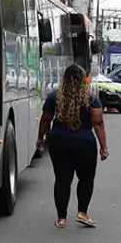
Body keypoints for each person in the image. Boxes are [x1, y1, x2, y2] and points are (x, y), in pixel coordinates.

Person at [37, 64, 109, 229]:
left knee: (62, 179)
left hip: (59, 141)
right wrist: (104, 147)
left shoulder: (54, 97)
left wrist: (40, 138)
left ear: (64, 79)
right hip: (84, 143)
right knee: (86, 178)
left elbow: (46, 119)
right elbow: (98, 123)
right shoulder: (91, 98)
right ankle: (82, 213)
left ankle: (61, 219)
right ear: (84, 79)